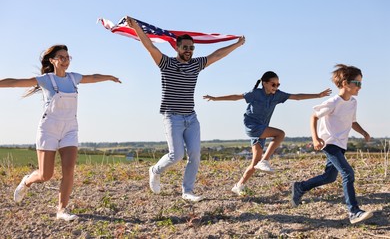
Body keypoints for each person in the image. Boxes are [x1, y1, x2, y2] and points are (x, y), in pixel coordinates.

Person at [126, 16, 245, 202]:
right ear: (177, 48)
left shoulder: (196, 65)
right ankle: (155, 170)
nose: (188, 51)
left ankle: (187, 191)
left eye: (191, 48)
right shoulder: (166, 64)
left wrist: (237, 45)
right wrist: (136, 28)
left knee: (195, 155)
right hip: (172, 116)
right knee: (176, 155)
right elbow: (149, 46)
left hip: (191, 117)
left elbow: (217, 55)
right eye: (185, 47)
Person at [0, 44, 121, 221]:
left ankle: (62, 210)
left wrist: (109, 77)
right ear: (52, 60)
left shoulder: (74, 78)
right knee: (45, 175)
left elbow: (93, 77)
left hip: (70, 128)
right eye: (62, 57)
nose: (65, 61)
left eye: (68, 57)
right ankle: (27, 181)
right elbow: (15, 82)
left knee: (69, 170)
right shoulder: (45, 79)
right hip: (48, 129)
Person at [203, 71, 331, 196]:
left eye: (278, 85)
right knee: (280, 134)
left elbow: (297, 97)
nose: (276, 87)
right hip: (252, 126)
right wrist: (215, 98)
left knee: (255, 162)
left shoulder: (277, 95)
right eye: (273, 84)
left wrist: (318, 95)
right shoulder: (255, 93)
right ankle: (265, 161)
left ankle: (239, 185)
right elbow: (236, 97)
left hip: (262, 128)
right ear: (264, 83)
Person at [291, 64, 373, 224]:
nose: (360, 87)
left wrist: (363, 132)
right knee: (348, 173)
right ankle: (354, 211)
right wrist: (315, 139)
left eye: (361, 84)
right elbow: (313, 117)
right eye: (357, 83)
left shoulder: (353, 102)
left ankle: (300, 187)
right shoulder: (333, 102)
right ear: (345, 83)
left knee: (329, 177)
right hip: (329, 143)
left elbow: (353, 121)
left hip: (341, 144)